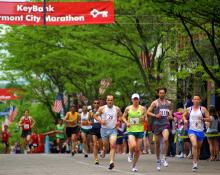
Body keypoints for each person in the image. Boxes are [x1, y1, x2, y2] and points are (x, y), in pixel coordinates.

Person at [147, 87, 173, 171]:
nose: (162, 94)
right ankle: (158, 160)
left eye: (163, 93)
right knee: (157, 144)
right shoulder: (155, 103)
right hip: (157, 125)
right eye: (160, 93)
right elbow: (148, 112)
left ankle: (164, 157)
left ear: (165, 93)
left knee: (166, 139)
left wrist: (170, 115)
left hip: (165, 124)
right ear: (158, 94)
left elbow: (170, 111)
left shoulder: (169, 103)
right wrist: (155, 115)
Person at [183, 94, 210, 172]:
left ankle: (196, 161)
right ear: (192, 100)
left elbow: (209, 119)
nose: (196, 100)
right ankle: (194, 163)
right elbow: (184, 116)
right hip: (191, 130)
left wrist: (204, 118)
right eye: (194, 99)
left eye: (197, 99)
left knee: (198, 148)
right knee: (194, 145)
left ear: (200, 100)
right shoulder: (189, 109)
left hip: (200, 131)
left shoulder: (203, 109)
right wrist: (185, 120)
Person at [94, 95, 122, 170]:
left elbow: (120, 116)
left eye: (111, 100)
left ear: (113, 101)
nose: (110, 101)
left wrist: (118, 122)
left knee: (112, 145)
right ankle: (104, 150)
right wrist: (101, 121)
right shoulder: (102, 108)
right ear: (106, 101)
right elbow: (95, 116)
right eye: (108, 100)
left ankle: (111, 162)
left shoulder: (117, 109)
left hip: (113, 130)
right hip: (104, 130)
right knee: (106, 146)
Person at [122, 93, 146, 172]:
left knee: (138, 150)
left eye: (137, 99)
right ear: (132, 100)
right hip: (131, 130)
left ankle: (134, 166)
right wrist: (126, 123)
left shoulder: (142, 108)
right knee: (133, 145)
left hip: (140, 130)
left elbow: (146, 119)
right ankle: (130, 153)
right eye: (134, 99)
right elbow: (123, 117)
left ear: (139, 100)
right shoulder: (128, 108)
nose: (135, 101)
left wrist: (143, 119)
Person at [90, 100, 103, 164]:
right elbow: (89, 119)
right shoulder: (91, 112)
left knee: (101, 144)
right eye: (95, 103)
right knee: (95, 144)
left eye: (97, 103)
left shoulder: (102, 111)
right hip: (94, 129)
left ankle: (101, 150)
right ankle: (96, 159)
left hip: (101, 129)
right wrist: (89, 122)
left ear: (99, 104)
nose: (96, 104)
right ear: (93, 104)